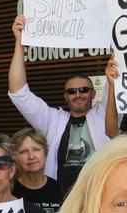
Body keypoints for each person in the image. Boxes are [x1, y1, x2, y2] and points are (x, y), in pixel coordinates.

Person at [9, 15, 117, 192]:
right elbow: (19, 92)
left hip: (101, 194)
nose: (78, 94)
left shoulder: (104, 113)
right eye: (71, 91)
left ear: (93, 93)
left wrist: (118, 43)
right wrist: (19, 42)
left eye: (84, 90)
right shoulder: (52, 119)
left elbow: (117, 76)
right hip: (60, 199)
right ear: (65, 96)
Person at [11, 128, 64, 213]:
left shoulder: (59, 189)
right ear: (15, 158)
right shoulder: (10, 192)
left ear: (46, 153)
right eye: (24, 152)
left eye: (36, 150)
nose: (31, 157)